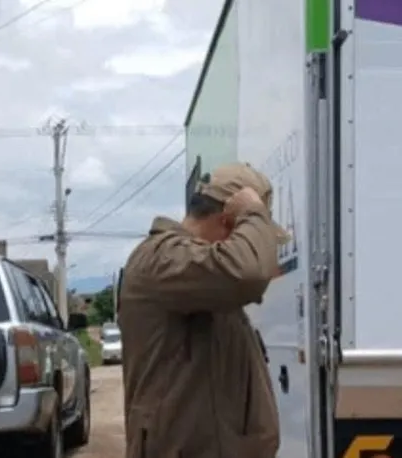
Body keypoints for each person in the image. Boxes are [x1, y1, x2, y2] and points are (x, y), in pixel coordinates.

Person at [118, 163, 288, 458]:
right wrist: (252, 213)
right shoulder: (162, 258)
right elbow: (248, 274)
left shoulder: (200, 278)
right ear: (228, 223)